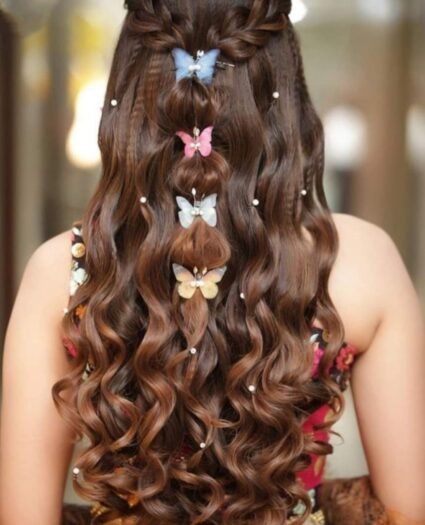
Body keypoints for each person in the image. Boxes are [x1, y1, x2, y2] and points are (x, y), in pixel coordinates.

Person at [1, 1, 425, 524]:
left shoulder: (62, 273)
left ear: (129, 94)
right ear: (284, 93)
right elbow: (407, 511)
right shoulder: (361, 261)